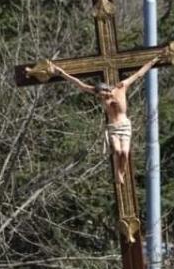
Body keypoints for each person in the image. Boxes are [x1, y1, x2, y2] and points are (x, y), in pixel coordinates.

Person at [45, 56, 160, 184]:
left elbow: (138, 74)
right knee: (117, 150)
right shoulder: (99, 94)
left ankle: (121, 172)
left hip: (124, 126)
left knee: (125, 153)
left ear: (106, 90)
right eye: (99, 96)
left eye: (102, 95)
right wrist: (61, 73)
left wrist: (153, 61)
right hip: (113, 127)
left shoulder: (121, 87)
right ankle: (118, 173)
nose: (101, 98)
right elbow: (79, 84)